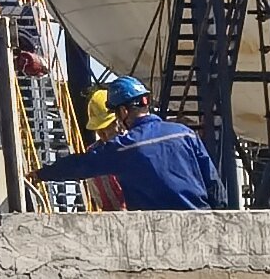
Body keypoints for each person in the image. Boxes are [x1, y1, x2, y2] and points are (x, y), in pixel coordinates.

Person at [37, 73, 223, 212]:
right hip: (201, 222)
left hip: (157, 233)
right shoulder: (185, 134)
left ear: (123, 112)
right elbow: (213, 183)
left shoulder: (124, 147)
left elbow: (81, 165)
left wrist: (42, 174)